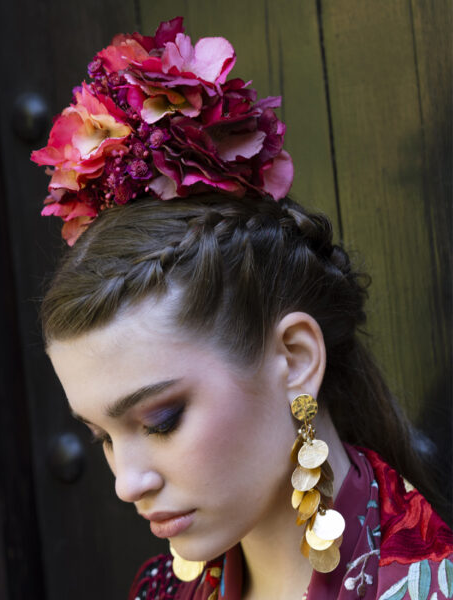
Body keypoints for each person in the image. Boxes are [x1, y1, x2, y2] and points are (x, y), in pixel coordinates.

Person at [31, 17, 453, 600]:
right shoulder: (159, 591)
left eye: (161, 420)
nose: (128, 482)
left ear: (296, 357)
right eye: (102, 436)